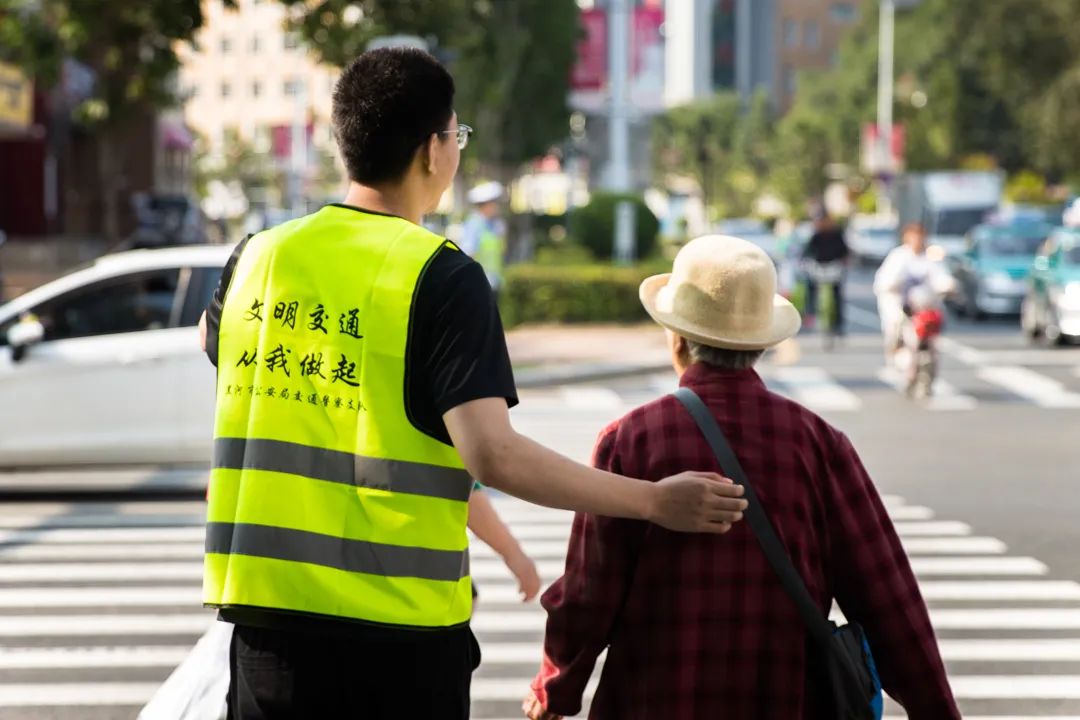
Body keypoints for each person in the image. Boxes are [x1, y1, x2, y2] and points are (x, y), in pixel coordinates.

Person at [196, 48, 747, 719]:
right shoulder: (440, 276)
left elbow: (213, 342)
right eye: (454, 135)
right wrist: (652, 501)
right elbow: (493, 454)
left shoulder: (255, 256)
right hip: (397, 645)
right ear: (433, 151)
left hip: (267, 637)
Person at [524, 235, 960, 720]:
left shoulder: (631, 439)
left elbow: (589, 590)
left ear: (678, 337)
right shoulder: (816, 443)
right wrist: (937, 710)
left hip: (656, 701)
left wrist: (555, 689)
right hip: (786, 698)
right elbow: (887, 594)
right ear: (760, 344)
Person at [874, 223, 955, 362]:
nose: (917, 241)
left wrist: (948, 286)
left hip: (924, 306)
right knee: (895, 324)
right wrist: (891, 285)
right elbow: (885, 280)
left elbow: (941, 276)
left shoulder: (931, 256)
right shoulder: (898, 256)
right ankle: (896, 351)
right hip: (902, 305)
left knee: (933, 324)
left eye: (920, 237)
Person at [800, 213, 850, 334]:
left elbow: (845, 251)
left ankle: (838, 323)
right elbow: (808, 251)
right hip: (819, 267)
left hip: (834, 267)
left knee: (836, 294)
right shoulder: (816, 236)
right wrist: (806, 261)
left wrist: (844, 261)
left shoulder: (837, 235)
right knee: (811, 289)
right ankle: (810, 313)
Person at [460, 180, 507, 292]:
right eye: (494, 203)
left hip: (493, 282)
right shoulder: (474, 224)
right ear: (486, 205)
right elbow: (468, 253)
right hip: (480, 285)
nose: (496, 207)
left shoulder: (493, 224)